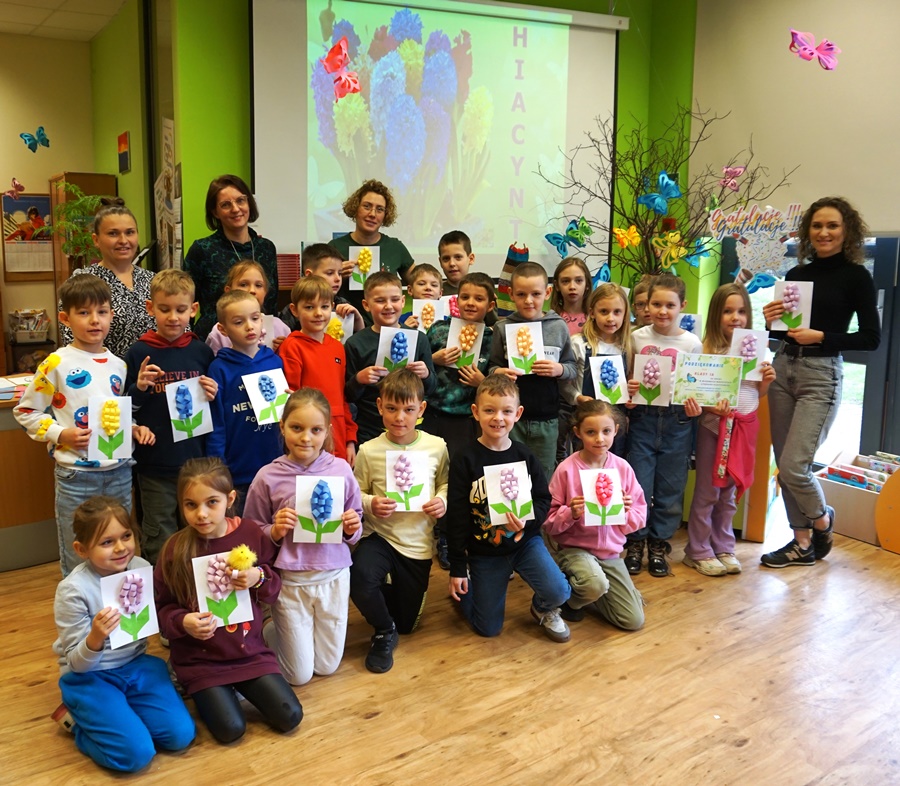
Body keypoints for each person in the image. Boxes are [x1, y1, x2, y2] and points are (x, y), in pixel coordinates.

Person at [760, 197, 880, 568]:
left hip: (821, 375)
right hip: (783, 369)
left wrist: (822, 336)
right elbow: (783, 334)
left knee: (796, 465)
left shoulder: (857, 276)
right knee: (785, 462)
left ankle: (823, 520)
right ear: (808, 233)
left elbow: (871, 339)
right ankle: (801, 543)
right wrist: (770, 321)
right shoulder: (796, 275)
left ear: (847, 232)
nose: (824, 232)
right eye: (817, 226)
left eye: (832, 226)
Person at [14, 276, 155, 576]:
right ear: (65, 318)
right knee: (79, 550)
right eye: (84, 313)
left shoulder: (118, 364)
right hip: (77, 476)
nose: (95, 320)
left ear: (111, 315)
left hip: (118, 472)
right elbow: (26, 411)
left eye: (102, 312)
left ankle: (116, 616)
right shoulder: (55, 363)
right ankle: (82, 617)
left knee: (118, 550)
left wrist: (132, 427)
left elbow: (114, 414)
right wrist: (60, 433)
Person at [155, 458, 302, 743]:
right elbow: (161, 608)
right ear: (180, 504)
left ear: (230, 499)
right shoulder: (174, 549)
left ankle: (235, 690)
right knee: (230, 730)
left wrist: (257, 577)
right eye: (190, 505)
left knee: (290, 716)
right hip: (202, 661)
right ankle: (202, 688)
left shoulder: (249, 534)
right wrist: (183, 622)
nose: (202, 514)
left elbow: (273, 587)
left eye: (212, 502)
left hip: (250, 653)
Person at [53, 496, 195, 772]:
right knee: (135, 755)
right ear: (81, 549)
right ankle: (79, 725)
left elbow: (157, 616)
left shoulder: (141, 567)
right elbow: (76, 664)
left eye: (126, 536)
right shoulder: (73, 590)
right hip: (90, 675)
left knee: (180, 736)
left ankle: (121, 713)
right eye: (106, 542)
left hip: (136, 665)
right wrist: (96, 636)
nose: (120, 548)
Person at [243, 389, 363, 685]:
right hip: (291, 582)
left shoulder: (341, 469)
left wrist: (351, 527)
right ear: (281, 426)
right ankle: (273, 628)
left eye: (315, 430)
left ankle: (299, 637)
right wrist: (274, 530)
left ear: (327, 432)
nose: (306, 438)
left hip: (334, 576)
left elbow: (357, 520)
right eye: (296, 428)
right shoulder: (267, 476)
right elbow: (251, 531)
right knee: (298, 676)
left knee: (327, 666)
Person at [446, 375, 571, 642]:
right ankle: (471, 588)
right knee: (488, 628)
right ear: (475, 412)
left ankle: (542, 608)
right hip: (484, 552)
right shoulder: (464, 458)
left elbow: (542, 499)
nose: (498, 418)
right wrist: (457, 566)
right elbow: (456, 515)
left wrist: (528, 522)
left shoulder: (525, 456)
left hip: (525, 543)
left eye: (506, 411)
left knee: (560, 592)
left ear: (518, 414)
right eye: (489, 410)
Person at [350, 369, 449, 673]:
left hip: (417, 543)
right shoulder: (369, 450)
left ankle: (392, 602)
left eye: (408, 410)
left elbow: (445, 483)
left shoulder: (437, 446)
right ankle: (382, 629)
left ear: (421, 409)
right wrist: (370, 503)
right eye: (391, 409)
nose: (399, 418)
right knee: (361, 578)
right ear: (379, 406)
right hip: (379, 535)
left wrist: (441, 501)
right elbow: (356, 493)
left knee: (408, 625)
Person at [124, 269, 218, 564]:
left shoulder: (202, 352)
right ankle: (161, 594)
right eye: (164, 309)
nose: (173, 317)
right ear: (151, 308)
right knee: (158, 533)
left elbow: (214, 408)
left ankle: (196, 591)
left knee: (198, 529)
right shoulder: (138, 353)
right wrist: (139, 388)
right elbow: (123, 409)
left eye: (180, 310)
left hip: (195, 463)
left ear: (193, 309)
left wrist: (215, 392)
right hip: (154, 465)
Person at [682, 284, 776, 576]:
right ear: (716, 315)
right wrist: (712, 408)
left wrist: (766, 383)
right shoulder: (706, 348)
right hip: (714, 429)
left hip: (745, 428)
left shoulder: (758, 349)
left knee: (731, 491)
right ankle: (697, 549)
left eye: (741, 311)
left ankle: (723, 545)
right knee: (709, 490)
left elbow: (755, 395)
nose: (735, 318)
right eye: (727, 311)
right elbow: (697, 393)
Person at [625, 273, 702, 577]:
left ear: (682, 305)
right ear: (646, 305)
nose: (662, 311)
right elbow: (627, 376)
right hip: (642, 419)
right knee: (639, 485)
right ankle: (635, 542)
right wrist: (628, 393)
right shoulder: (636, 338)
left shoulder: (691, 343)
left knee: (671, 488)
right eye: (655, 304)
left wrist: (695, 405)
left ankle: (659, 545)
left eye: (670, 305)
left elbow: (696, 385)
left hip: (678, 421)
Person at [543, 400, 646, 629]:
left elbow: (640, 515)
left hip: (610, 554)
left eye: (606, 431)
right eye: (591, 432)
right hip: (575, 551)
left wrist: (626, 512)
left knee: (633, 621)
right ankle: (574, 599)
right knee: (593, 583)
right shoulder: (567, 469)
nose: (599, 439)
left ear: (616, 431)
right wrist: (571, 513)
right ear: (578, 433)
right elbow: (549, 522)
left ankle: (599, 590)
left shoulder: (622, 468)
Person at [424, 271, 496, 568]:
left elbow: (499, 380)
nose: (470, 303)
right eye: (464, 297)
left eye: (478, 298)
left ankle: (455, 537)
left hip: (466, 420)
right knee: (434, 478)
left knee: (459, 481)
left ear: (490, 305)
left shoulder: (492, 338)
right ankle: (439, 536)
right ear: (455, 300)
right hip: (433, 415)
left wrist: (483, 382)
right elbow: (416, 361)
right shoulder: (439, 329)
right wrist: (434, 359)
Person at [489, 261, 577, 478]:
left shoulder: (558, 326)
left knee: (543, 475)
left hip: (547, 419)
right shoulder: (502, 328)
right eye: (521, 294)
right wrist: (498, 373)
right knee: (510, 474)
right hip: (511, 420)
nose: (529, 301)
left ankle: (542, 513)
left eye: (536, 294)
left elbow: (572, 367)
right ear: (510, 294)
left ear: (547, 292)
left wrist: (558, 369)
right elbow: (491, 367)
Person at [207, 290, 285, 512]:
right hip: (237, 472)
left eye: (255, 318)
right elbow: (217, 424)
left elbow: (286, 418)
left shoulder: (274, 361)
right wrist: (218, 468)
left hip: (275, 466)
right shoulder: (219, 369)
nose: (250, 326)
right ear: (223, 329)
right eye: (239, 322)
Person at [344, 271, 436, 444]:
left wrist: (426, 375)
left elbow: (432, 388)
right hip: (370, 429)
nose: (388, 306)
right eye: (380, 301)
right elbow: (348, 395)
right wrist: (359, 379)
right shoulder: (355, 343)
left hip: (410, 428)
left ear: (402, 301)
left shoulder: (419, 339)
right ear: (366, 304)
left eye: (394, 299)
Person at [59, 198, 156, 359]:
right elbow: (74, 347)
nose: (123, 241)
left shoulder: (154, 281)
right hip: (106, 378)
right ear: (96, 240)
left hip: (156, 377)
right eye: (113, 233)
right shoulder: (81, 284)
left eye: (130, 232)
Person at [184, 175, 278, 339]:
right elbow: (185, 303)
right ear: (215, 212)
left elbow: (272, 303)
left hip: (261, 341)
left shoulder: (266, 248)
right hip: (216, 342)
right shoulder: (202, 250)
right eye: (226, 205)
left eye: (240, 201)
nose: (235, 209)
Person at [279, 276, 358, 464]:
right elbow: (290, 399)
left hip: (337, 433)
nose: (318, 313)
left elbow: (342, 397)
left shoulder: (338, 347)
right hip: (308, 435)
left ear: (332, 306)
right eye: (309, 307)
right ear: (294, 310)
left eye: (324, 306)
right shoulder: (292, 346)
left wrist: (349, 440)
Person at [331, 179, 415, 321]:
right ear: (356, 208)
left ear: (385, 215)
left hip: (386, 329)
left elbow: (419, 282)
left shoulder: (395, 247)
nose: (372, 214)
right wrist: (336, 275)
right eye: (367, 206)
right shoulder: (335, 247)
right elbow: (317, 291)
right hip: (346, 328)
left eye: (380, 209)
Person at [572, 283, 632, 456]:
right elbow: (566, 383)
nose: (610, 318)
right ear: (592, 313)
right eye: (604, 312)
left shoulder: (627, 347)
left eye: (617, 312)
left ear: (625, 314)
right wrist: (577, 397)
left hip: (615, 426)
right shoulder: (579, 343)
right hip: (586, 423)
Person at [206, 259, 291, 355]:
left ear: (265, 292)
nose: (252, 290)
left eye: (258, 285)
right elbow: (213, 363)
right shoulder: (219, 333)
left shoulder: (280, 327)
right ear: (229, 291)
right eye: (243, 284)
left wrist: (283, 349)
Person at [279, 243, 364, 336]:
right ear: (309, 275)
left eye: (340, 273)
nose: (338, 278)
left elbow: (358, 343)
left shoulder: (343, 304)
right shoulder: (296, 308)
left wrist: (358, 321)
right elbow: (281, 338)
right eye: (330, 273)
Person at [439, 230, 497, 327]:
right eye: (446, 259)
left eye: (458, 257)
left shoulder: (483, 288)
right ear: (440, 261)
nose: (452, 263)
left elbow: (492, 324)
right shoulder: (436, 292)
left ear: (471, 259)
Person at [551, 256, 592, 336]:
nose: (572, 286)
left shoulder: (596, 318)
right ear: (557, 285)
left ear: (587, 284)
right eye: (565, 281)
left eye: (578, 280)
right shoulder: (551, 320)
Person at [401, 263, 442, 330]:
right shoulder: (401, 320)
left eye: (434, 285)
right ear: (410, 290)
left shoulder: (447, 322)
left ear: (440, 293)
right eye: (421, 284)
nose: (428, 288)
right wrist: (404, 329)